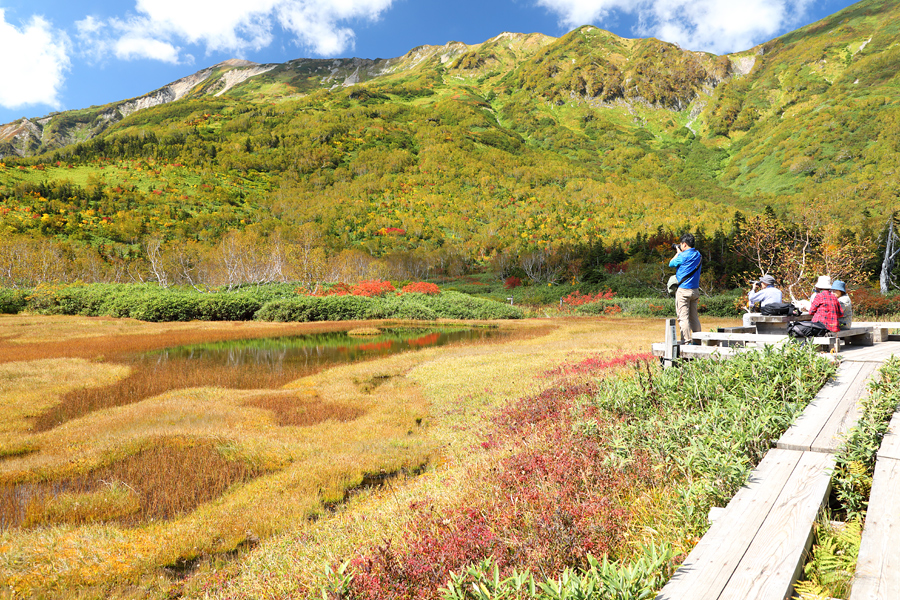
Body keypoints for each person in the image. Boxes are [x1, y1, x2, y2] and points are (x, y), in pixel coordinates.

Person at [669, 233, 702, 343]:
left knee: (683, 318)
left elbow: (671, 264)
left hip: (683, 291)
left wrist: (677, 253)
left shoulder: (682, 256)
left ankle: (686, 342)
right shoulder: (698, 255)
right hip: (695, 290)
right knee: (694, 317)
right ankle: (698, 341)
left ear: (684, 244)